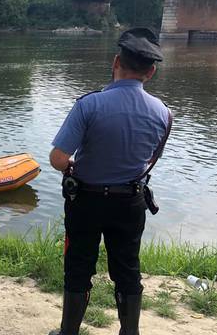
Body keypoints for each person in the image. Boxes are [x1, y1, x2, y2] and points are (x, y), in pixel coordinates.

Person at [48, 28, 172, 335]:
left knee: (79, 267)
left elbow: (58, 159)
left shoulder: (89, 105)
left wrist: (75, 165)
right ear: (151, 72)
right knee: (127, 269)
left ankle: (68, 333)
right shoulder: (163, 113)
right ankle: (130, 333)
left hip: (86, 202)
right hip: (130, 202)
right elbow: (150, 162)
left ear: (116, 61)